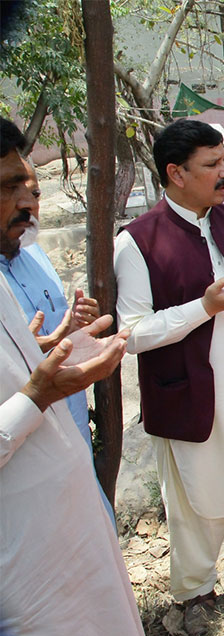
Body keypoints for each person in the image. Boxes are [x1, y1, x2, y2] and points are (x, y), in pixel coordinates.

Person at [114, 119, 224, 634]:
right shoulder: (138, 242)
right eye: (212, 165)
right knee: (195, 495)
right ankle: (195, 590)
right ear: (175, 173)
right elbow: (134, 333)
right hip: (187, 391)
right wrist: (202, 307)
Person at [1, 118, 150, 636]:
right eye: (10, 185)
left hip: (73, 529)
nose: (26, 201)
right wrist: (37, 392)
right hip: (26, 566)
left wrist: (52, 346)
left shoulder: (18, 258)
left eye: (29, 184)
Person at [0, 119, 99, 448]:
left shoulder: (34, 255)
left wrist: (73, 327)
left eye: (33, 191)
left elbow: (54, 342)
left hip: (73, 439)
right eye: (9, 187)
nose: (29, 203)